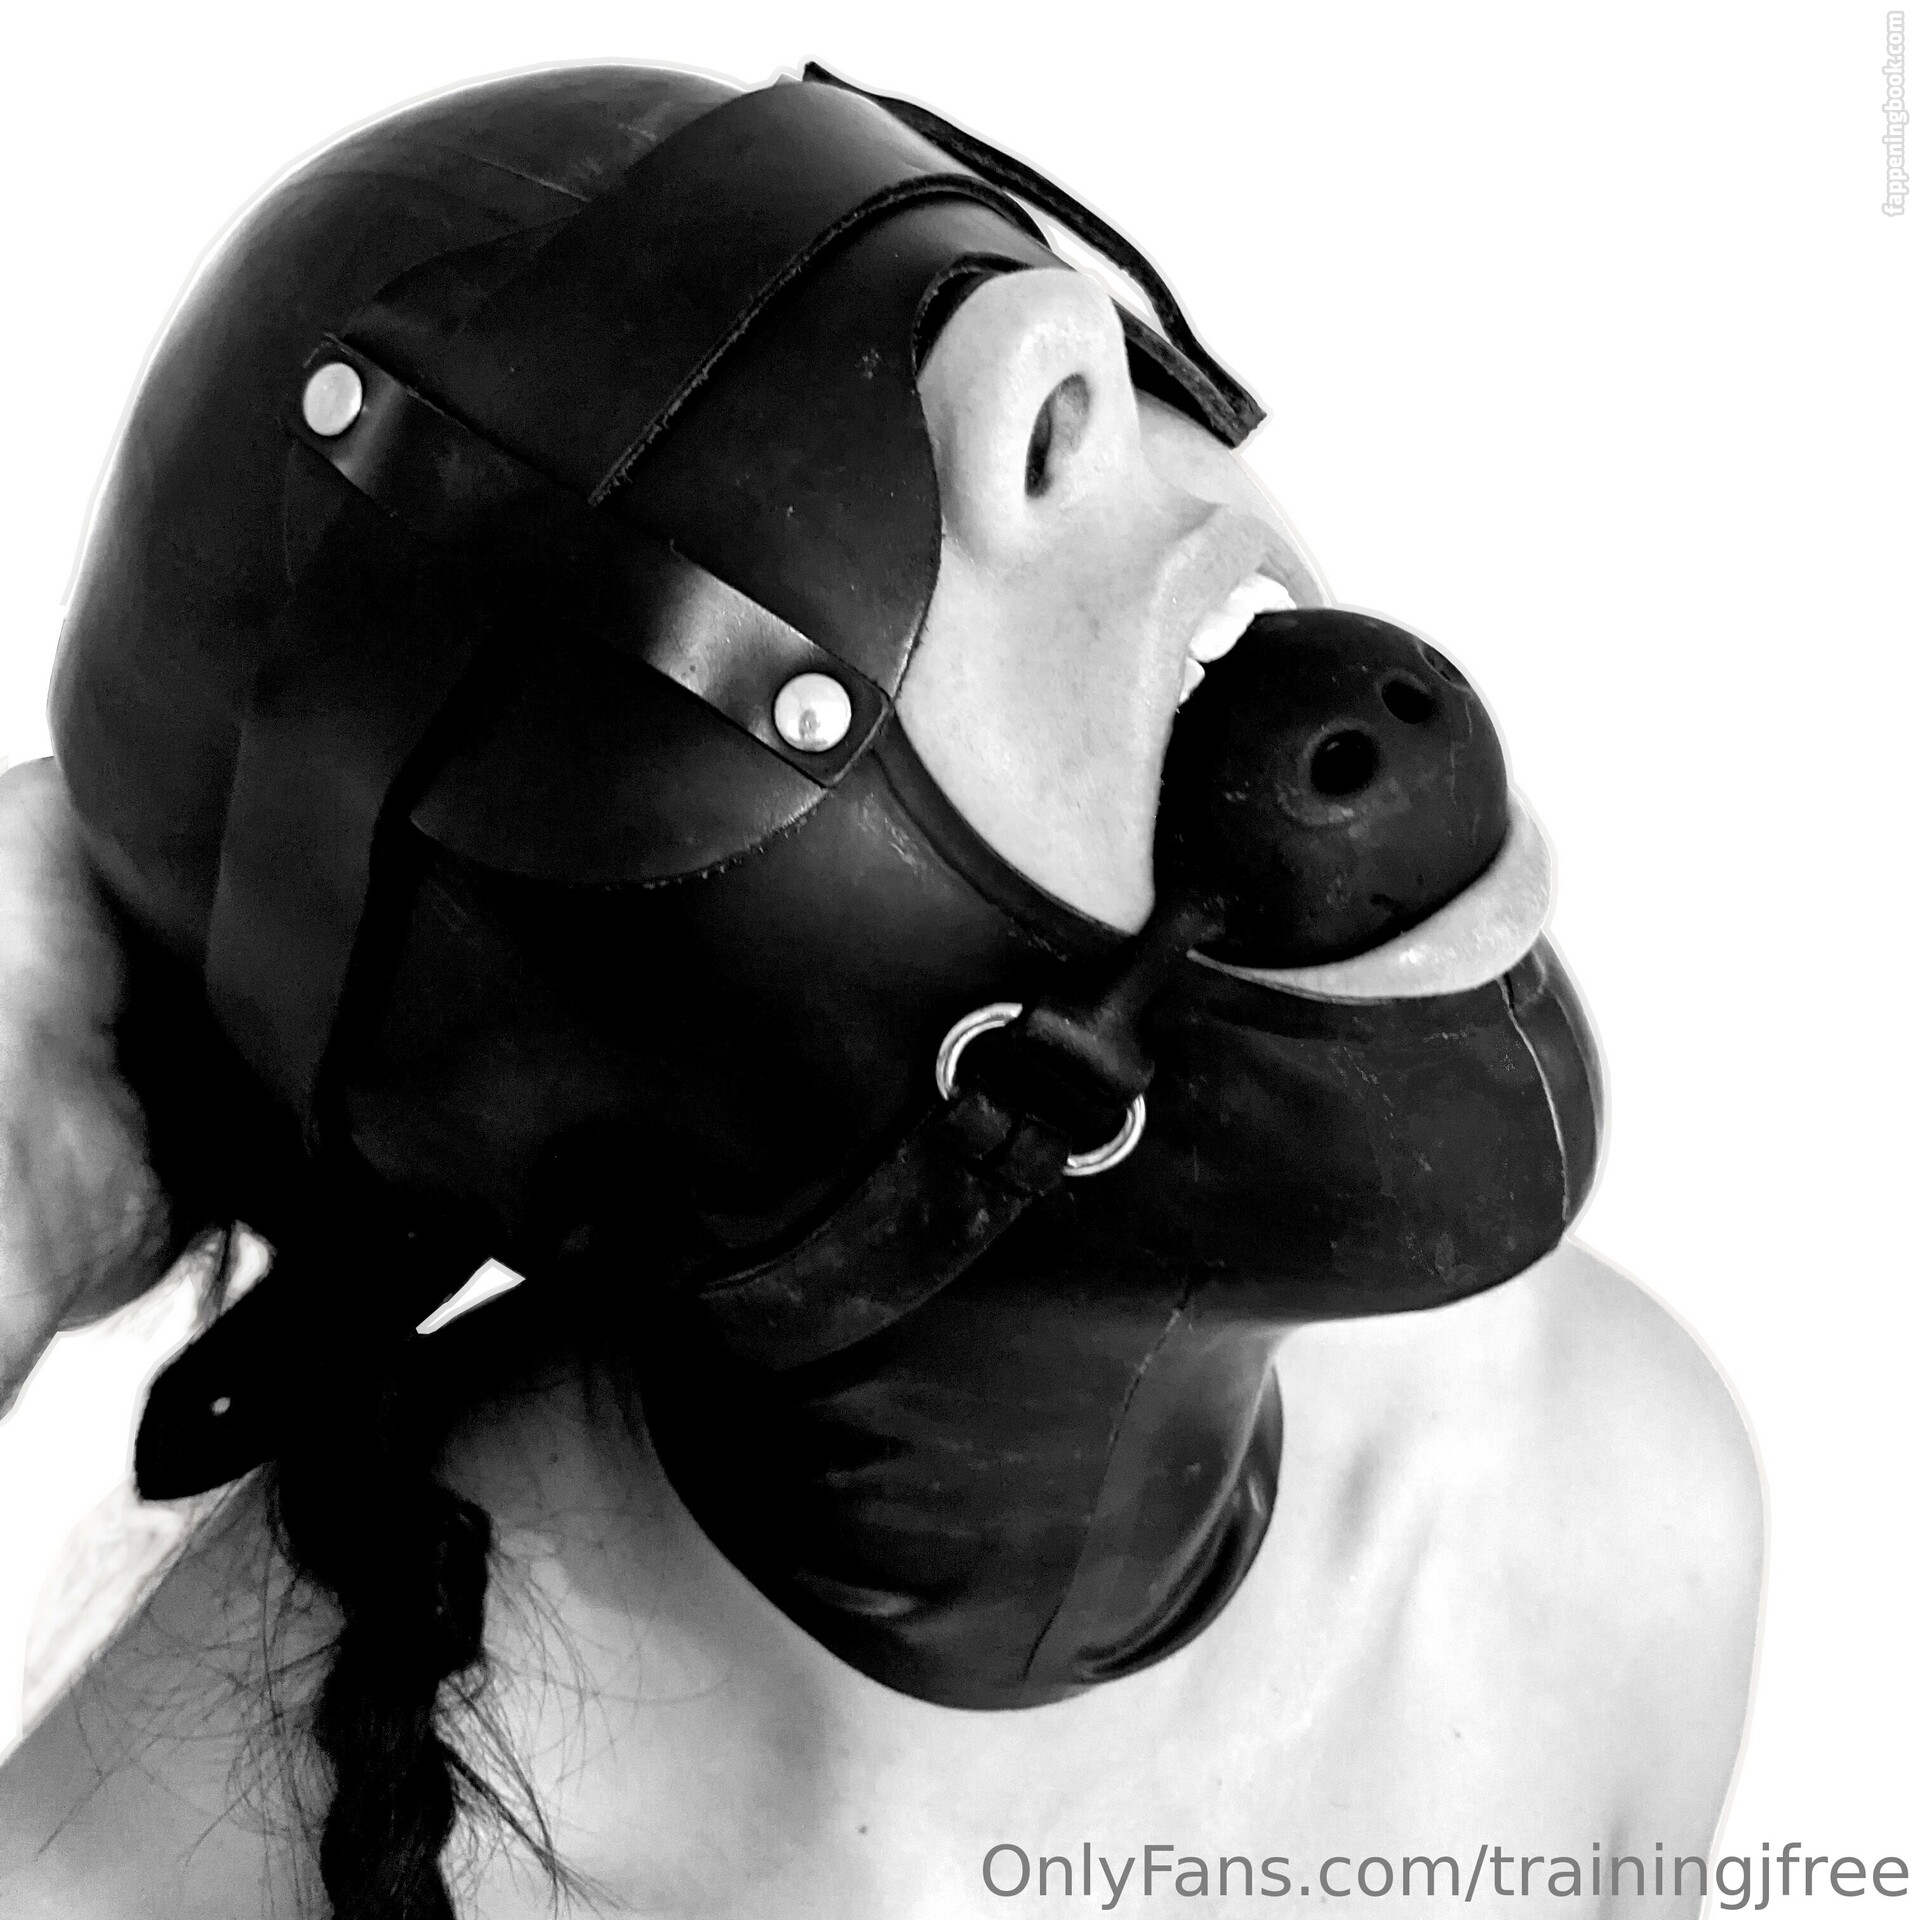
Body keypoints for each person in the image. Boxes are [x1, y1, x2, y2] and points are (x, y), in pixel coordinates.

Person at [0, 61, 1760, 1919]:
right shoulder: (162, 1871)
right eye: (728, 457)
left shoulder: (1602, 1517)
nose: (1048, 338)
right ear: (598, 1050)